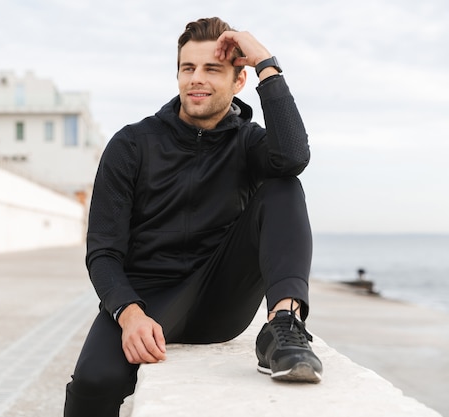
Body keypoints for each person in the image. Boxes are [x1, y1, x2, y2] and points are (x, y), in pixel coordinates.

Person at [64, 17, 323, 417]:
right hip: (148, 300)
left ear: (239, 82)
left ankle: (285, 327)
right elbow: (102, 250)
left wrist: (266, 64)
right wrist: (128, 313)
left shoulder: (250, 142)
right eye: (188, 68)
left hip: (221, 298)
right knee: (93, 382)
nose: (196, 79)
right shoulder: (132, 143)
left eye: (212, 69)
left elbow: (293, 157)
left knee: (283, 183)